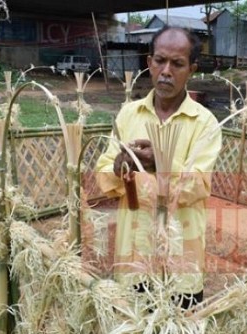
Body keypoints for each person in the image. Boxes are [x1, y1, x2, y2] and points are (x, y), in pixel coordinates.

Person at [95, 26, 222, 309]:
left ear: (191, 69)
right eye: (160, 60)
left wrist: (162, 164)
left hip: (180, 259)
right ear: (149, 63)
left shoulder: (204, 123)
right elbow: (104, 172)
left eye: (177, 64)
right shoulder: (130, 113)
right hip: (134, 254)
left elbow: (199, 185)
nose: (166, 71)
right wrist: (117, 168)